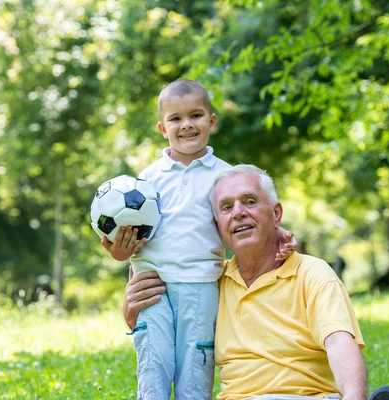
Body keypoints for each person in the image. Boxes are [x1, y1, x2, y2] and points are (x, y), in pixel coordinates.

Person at [123, 164, 389, 400]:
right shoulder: (211, 284)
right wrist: (133, 313)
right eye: (226, 207)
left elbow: (340, 344)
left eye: (250, 201)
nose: (238, 213)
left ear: (276, 214)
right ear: (217, 227)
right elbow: (174, 337)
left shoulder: (311, 273)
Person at [100, 80, 296, 400]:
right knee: (153, 367)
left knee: (195, 370)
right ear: (163, 128)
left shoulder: (225, 177)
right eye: (176, 119)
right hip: (153, 285)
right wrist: (120, 254)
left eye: (196, 115)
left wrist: (280, 235)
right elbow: (128, 242)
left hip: (201, 286)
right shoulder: (145, 180)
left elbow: (249, 219)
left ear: (212, 121)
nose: (187, 125)